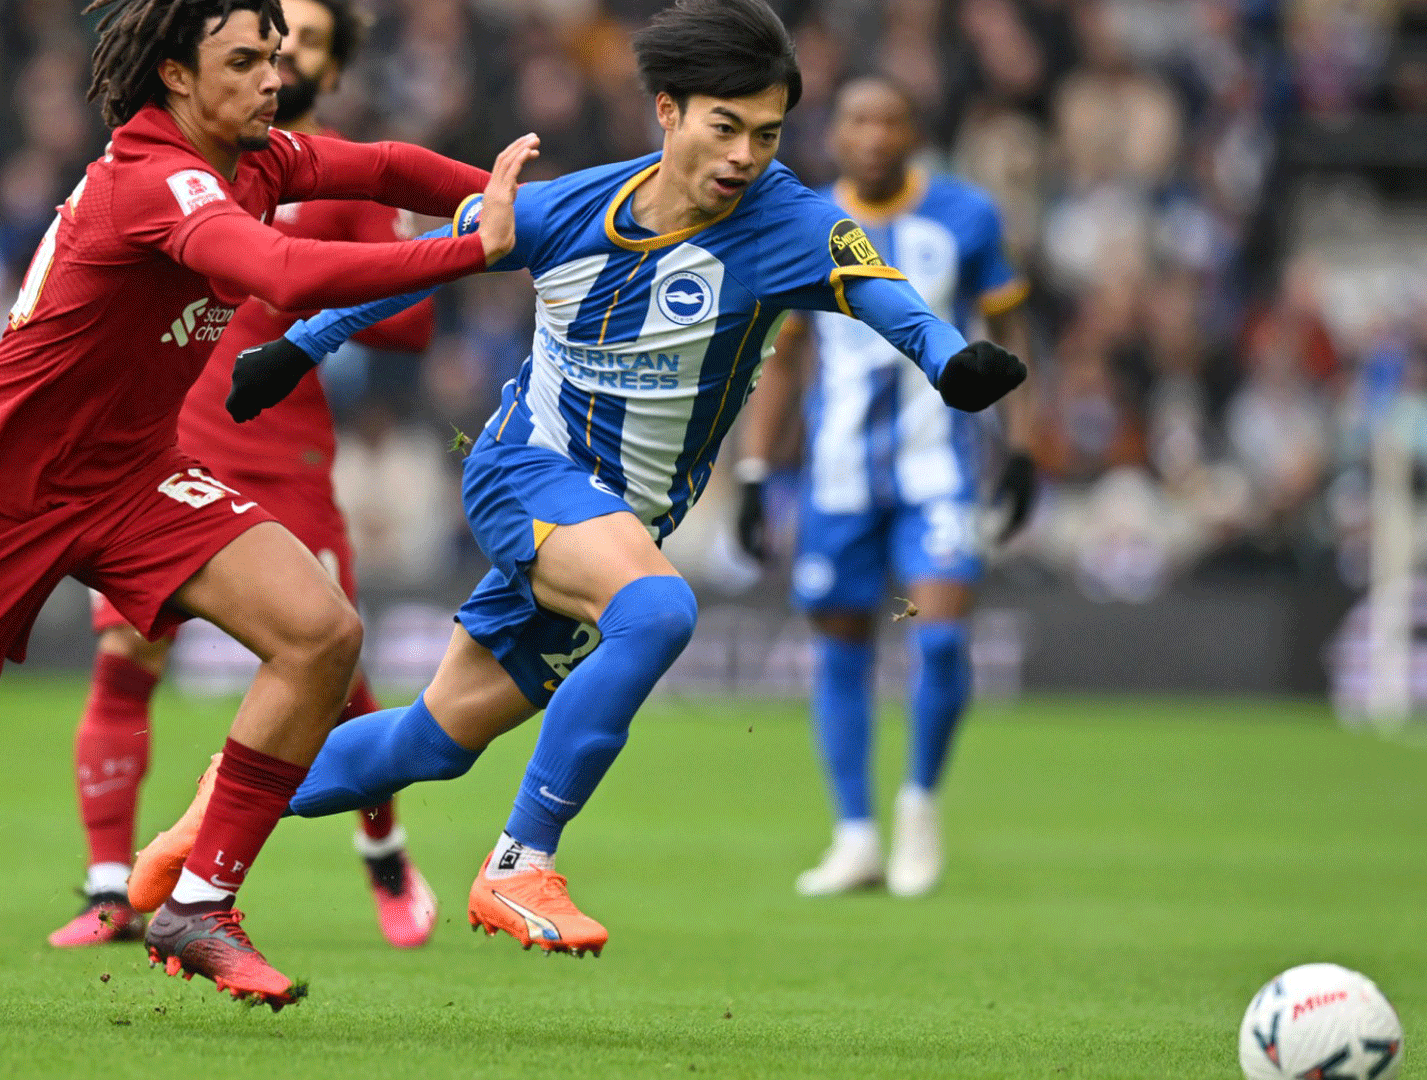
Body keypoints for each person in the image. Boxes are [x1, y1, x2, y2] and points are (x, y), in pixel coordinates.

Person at [128, 0, 1026, 958]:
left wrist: (948, 361)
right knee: (660, 612)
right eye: (725, 127)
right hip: (526, 472)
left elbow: (883, 290)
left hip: (619, 520)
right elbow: (425, 262)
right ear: (668, 111)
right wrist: (300, 350)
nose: (744, 157)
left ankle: (209, 816)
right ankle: (520, 864)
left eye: (766, 135)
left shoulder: (795, 225)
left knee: (430, 741)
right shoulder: (566, 208)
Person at [0, 0, 539, 1019]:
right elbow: (285, 271)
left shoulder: (255, 153)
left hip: (128, 477)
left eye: (273, 59)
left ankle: (201, 903)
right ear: (173, 75)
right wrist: (474, 251)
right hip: (0, 494)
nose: (271, 80)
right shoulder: (154, 180)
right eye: (244, 62)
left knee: (321, 632)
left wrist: (525, 204)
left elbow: (381, 167)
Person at [49, 0, 441, 955]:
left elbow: (409, 322)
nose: (285, 58)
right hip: (171, 440)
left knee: (331, 655)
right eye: (272, 41)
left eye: (303, 43)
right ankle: (111, 889)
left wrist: (343, 272)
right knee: (126, 658)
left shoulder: (326, 172)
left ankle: (382, 851)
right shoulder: (177, 166)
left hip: (285, 449)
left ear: (329, 69)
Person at [733, 77, 1035, 899]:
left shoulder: (965, 217)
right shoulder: (802, 220)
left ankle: (920, 806)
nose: (872, 135)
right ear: (835, 134)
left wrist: (1023, 445)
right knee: (840, 649)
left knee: (939, 638)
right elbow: (785, 354)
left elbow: (1008, 330)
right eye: (858, 120)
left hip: (939, 469)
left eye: (889, 120)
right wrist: (757, 473)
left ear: (913, 133)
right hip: (836, 477)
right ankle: (855, 834)